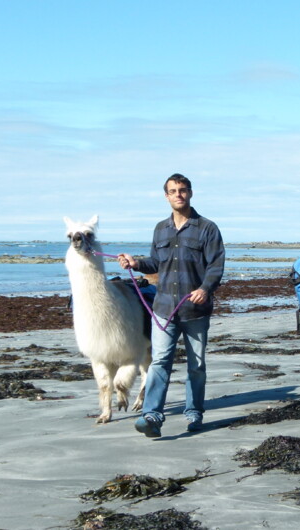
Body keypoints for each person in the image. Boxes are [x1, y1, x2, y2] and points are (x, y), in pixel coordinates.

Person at [118, 173, 225, 438]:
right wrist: (136, 264)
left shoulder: (207, 228)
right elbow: (156, 262)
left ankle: (194, 413)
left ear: (190, 193)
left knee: (196, 366)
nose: (178, 194)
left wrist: (204, 289)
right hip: (163, 309)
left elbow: (216, 265)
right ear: (166, 196)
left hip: (195, 311)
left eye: (183, 190)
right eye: (173, 191)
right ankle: (152, 415)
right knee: (160, 362)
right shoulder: (160, 229)